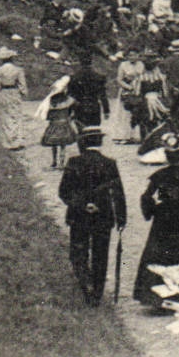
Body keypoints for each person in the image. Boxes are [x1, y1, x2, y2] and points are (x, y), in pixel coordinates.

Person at [133, 134, 179, 308]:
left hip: (162, 218)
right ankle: (176, 296)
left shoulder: (158, 175)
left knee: (157, 255)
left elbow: (146, 197)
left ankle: (155, 297)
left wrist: (152, 211)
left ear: (166, 155)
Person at [58, 126, 126, 305]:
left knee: (78, 252)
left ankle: (85, 283)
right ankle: (97, 293)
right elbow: (118, 193)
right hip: (103, 216)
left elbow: (64, 192)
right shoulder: (109, 163)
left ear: (82, 142)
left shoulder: (74, 162)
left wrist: (82, 204)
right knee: (100, 254)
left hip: (78, 216)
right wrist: (121, 218)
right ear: (100, 142)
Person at [0, 46, 30, 150]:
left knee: (4, 118)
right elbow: (22, 85)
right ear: (12, 58)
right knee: (15, 116)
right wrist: (23, 93)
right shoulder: (18, 70)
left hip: (2, 93)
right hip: (14, 93)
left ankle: (6, 143)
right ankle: (16, 143)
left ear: (2, 59)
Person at [38, 76, 79, 169]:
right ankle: (61, 162)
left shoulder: (51, 102)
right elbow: (73, 110)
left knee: (54, 144)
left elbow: (48, 116)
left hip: (54, 125)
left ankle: (54, 161)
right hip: (64, 124)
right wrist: (70, 117)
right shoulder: (69, 100)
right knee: (63, 145)